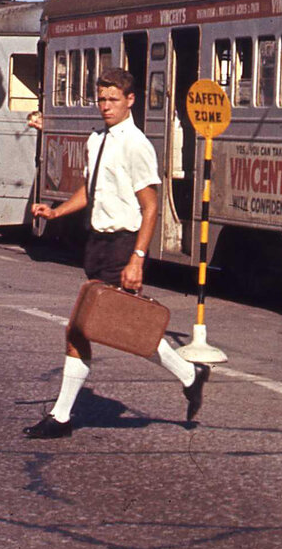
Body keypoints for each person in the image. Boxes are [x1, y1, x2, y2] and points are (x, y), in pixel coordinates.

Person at [24, 67, 208, 438]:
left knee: (82, 328)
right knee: (125, 326)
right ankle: (190, 374)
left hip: (123, 243)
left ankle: (61, 417)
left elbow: (151, 206)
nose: (105, 106)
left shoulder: (135, 143)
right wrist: (56, 211)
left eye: (113, 99)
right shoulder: (98, 138)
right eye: (101, 99)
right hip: (97, 243)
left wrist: (137, 259)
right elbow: (90, 189)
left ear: (130, 101)